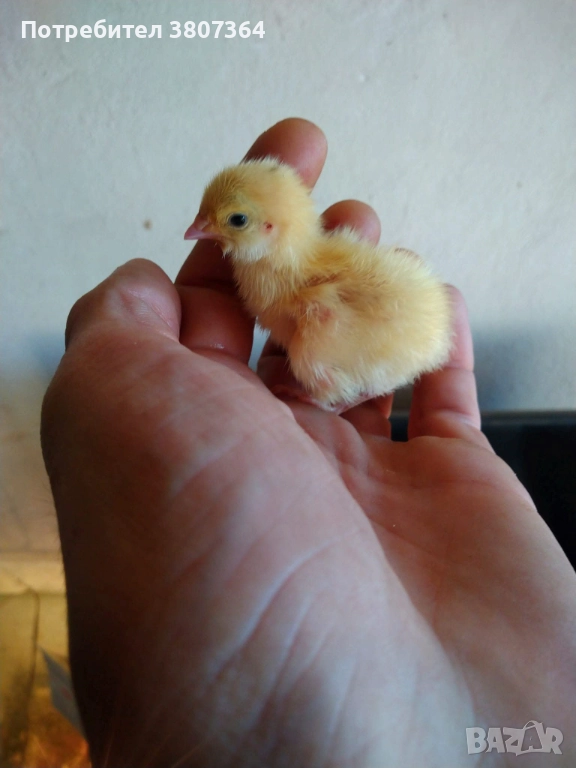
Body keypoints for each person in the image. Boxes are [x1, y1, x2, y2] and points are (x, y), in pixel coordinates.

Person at [41, 119, 576, 767]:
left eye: (230, 222)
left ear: (271, 230)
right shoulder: (303, 264)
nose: (204, 230)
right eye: (213, 217)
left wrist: (321, 387)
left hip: (370, 338)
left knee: (316, 358)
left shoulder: (311, 302)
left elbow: (347, 341)